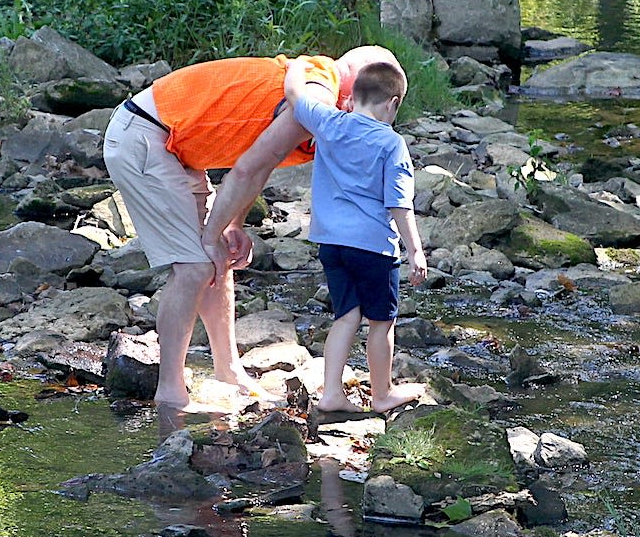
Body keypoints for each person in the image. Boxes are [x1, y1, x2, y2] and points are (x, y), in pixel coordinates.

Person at [103, 46, 398, 410]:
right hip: (145, 134)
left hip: (179, 147)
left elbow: (259, 163)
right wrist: (211, 234)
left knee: (219, 257)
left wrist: (234, 225)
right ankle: (170, 393)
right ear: (353, 85)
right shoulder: (318, 94)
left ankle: (229, 371)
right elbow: (245, 170)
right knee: (195, 266)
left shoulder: (331, 105)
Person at [281, 55, 427, 414]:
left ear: (352, 96)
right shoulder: (392, 144)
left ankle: (331, 393)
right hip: (374, 247)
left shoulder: (329, 122)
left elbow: (295, 95)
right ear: (393, 104)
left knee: (346, 315)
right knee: (381, 321)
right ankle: (382, 395)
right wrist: (416, 252)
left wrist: (298, 64)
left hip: (331, 244)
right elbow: (398, 204)